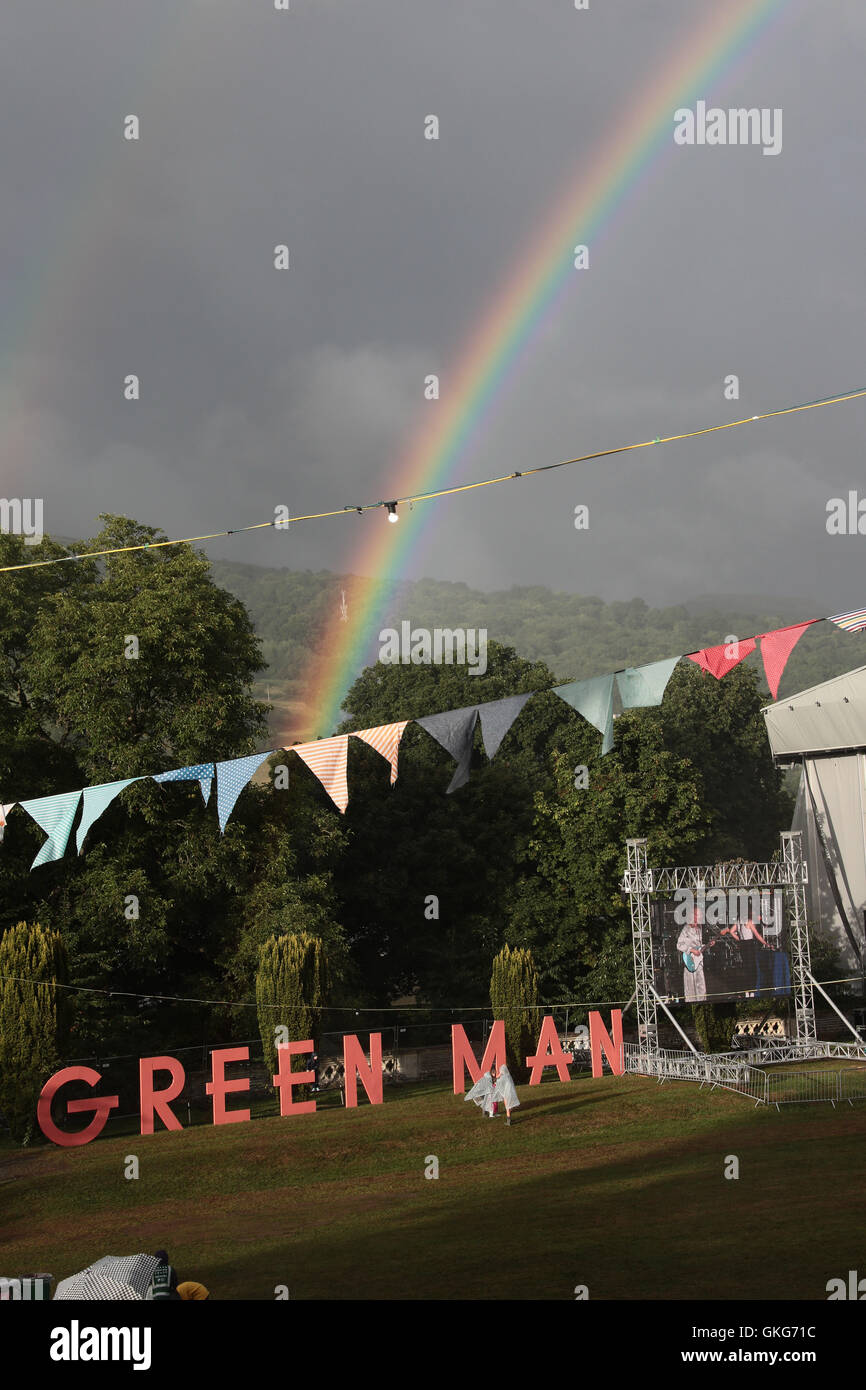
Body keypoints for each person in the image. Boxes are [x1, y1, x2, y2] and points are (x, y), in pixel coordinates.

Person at [676, 908, 707, 1002]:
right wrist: (692, 950)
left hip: (699, 963)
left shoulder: (700, 928)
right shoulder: (686, 928)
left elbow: (699, 947)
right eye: (698, 914)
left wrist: (707, 946)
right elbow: (679, 945)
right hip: (689, 963)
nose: (701, 916)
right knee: (690, 992)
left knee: (702, 990)